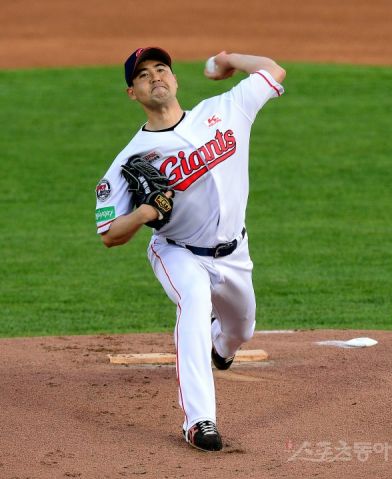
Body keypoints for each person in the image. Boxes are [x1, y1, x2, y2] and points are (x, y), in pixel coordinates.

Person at [95, 46, 286, 452]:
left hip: (235, 254)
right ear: (132, 93)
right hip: (177, 251)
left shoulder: (226, 110)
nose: (155, 77)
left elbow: (273, 70)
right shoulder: (131, 157)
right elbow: (109, 234)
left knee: (241, 331)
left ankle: (222, 347)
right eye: (143, 75)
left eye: (161, 68)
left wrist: (229, 60)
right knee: (194, 302)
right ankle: (199, 421)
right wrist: (143, 213)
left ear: (175, 79)